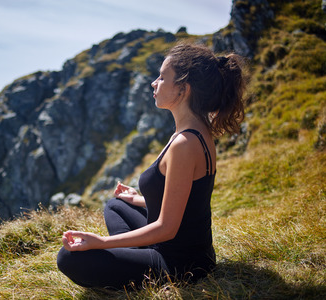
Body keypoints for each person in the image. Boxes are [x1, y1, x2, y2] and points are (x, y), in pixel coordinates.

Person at [56, 43, 247, 289]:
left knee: (69, 258)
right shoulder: (194, 132)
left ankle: (130, 258)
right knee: (116, 204)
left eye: (162, 77)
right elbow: (185, 203)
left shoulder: (185, 144)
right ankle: (131, 253)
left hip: (180, 265)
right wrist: (136, 199)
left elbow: (166, 228)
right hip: (184, 250)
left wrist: (100, 242)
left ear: (183, 89)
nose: (153, 83)